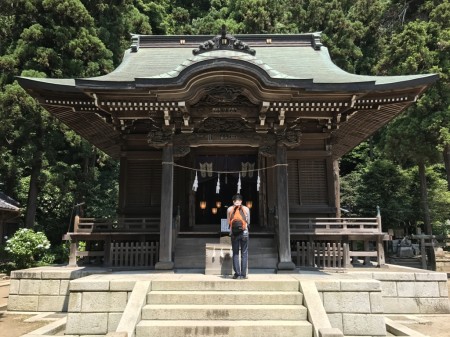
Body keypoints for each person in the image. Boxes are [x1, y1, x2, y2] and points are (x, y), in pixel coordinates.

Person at [227, 194, 250, 279]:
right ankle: (243, 274)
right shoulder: (246, 209)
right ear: (241, 201)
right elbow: (248, 222)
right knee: (244, 253)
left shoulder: (229, 209)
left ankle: (237, 274)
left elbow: (229, 222)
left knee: (235, 253)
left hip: (234, 234)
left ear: (233, 201)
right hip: (244, 233)